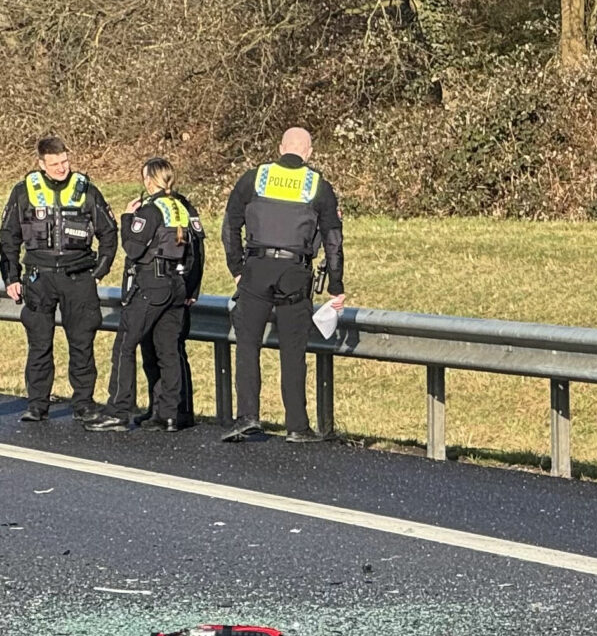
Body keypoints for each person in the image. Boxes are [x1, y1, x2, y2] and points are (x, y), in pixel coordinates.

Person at [220, 127, 344, 442]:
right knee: (293, 350)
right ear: (309, 152)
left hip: (256, 268)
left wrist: (237, 268)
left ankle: (247, 417)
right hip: (294, 271)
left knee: (248, 344)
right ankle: (297, 426)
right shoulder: (317, 185)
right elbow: (333, 239)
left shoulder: (254, 178)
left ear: (280, 148)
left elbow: (230, 225)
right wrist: (336, 284)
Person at [1, 136, 119, 422]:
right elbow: (8, 237)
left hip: (78, 277)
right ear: (41, 164)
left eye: (65, 161)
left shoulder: (86, 189)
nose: (61, 168)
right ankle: (37, 405)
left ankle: (84, 404)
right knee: (39, 344)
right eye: (54, 164)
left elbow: (109, 232)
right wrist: (11, 277)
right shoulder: (24, 191)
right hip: (39, 278)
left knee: (82, 343)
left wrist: (99, 271)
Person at [91, 158, 203, 432]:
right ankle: (169, 414)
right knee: (168, 350)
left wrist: (127, 218)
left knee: (125, 345)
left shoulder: (151, 210)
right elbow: (196, 251)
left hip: (152, 284)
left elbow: (133, 248)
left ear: (149, 181)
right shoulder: (183, 207)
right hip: (177, 285)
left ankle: (118, 411)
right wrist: (191, 288)